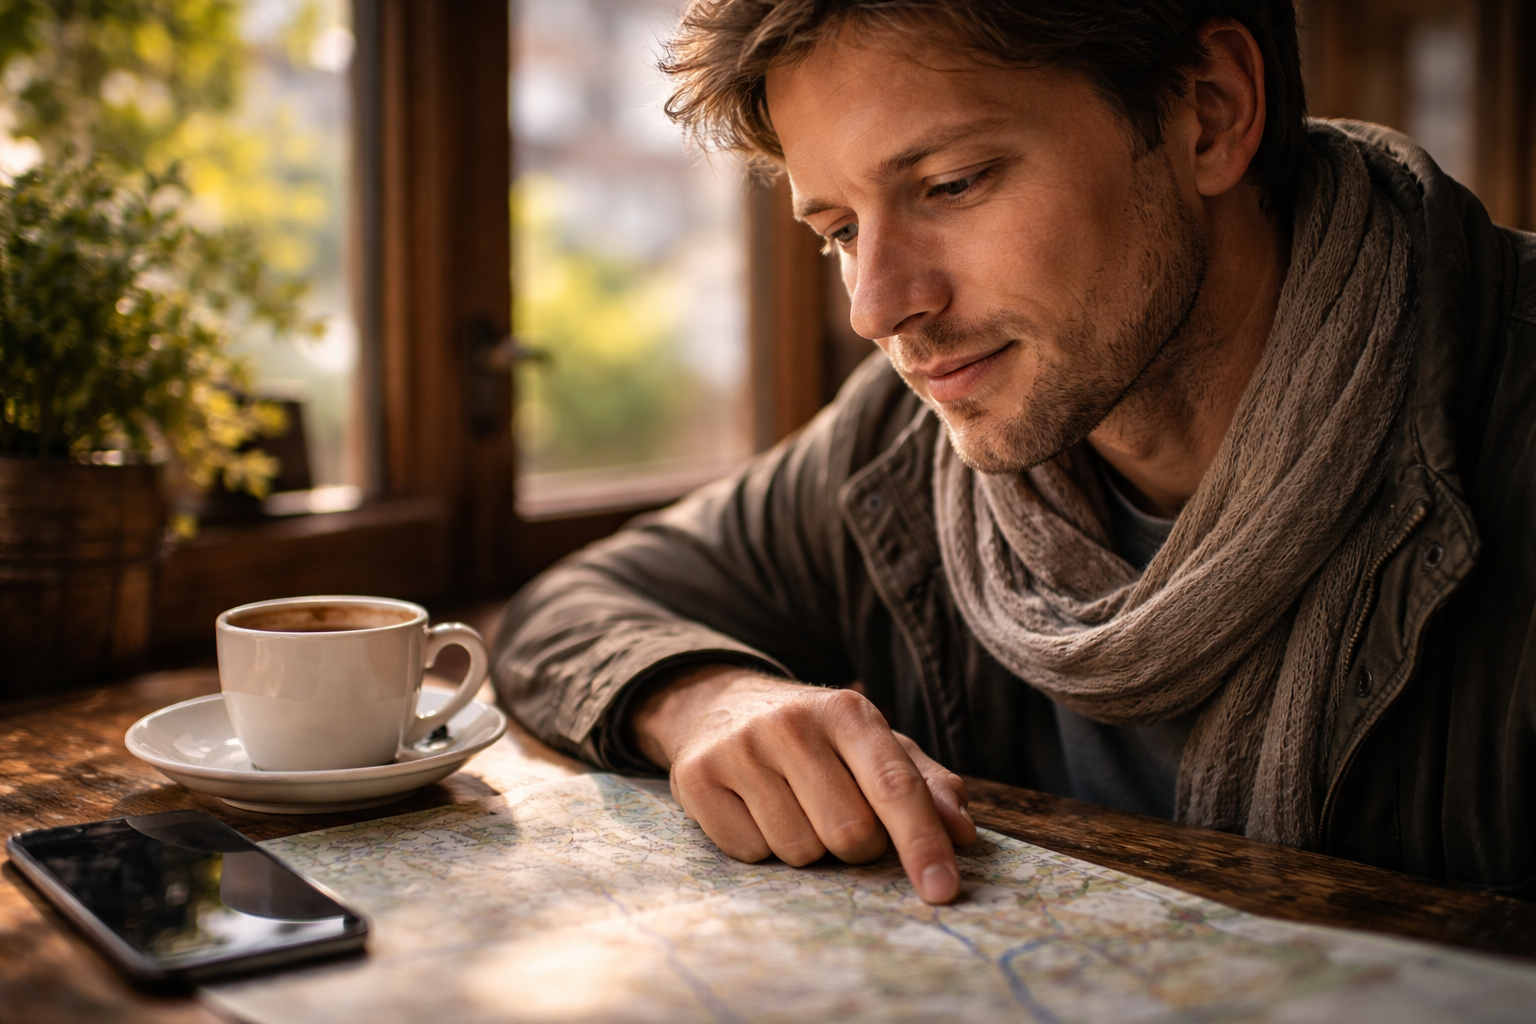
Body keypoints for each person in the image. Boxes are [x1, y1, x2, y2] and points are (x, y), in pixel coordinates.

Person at [494, 0, 1536, 906]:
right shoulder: (907, 438)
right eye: (840, 229)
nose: (879, 306)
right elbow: (571, 607)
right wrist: (706, 697)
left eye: (951, 183)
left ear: (1209, 110)